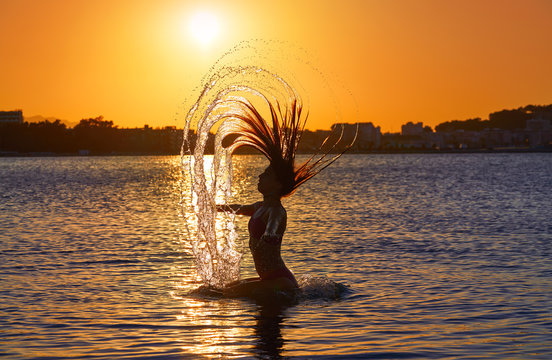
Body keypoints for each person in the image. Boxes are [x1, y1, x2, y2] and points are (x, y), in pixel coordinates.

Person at [213, 97, 354, 298]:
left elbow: (273, 225)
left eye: (267, 175)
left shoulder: (276, 211)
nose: (260, 176)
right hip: (268, 280)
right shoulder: (259, 206)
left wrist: (269, 235)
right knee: (226, 289)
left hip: (281, 282)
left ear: (277, 184)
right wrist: (216, 207)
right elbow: (239, 207)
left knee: (232, 295)